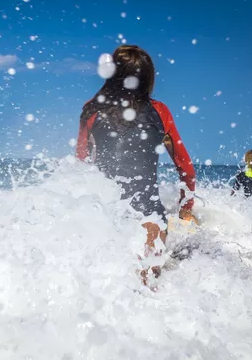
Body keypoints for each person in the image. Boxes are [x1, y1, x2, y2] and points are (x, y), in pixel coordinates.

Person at [75, 45, 197, 277]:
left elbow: (79, 164)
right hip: (149, 217)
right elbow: (187, 170)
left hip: (105, 217)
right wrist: (185, 210)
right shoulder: (160, 111)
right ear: (147, 77)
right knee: (149, 291)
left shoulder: (90, 111)